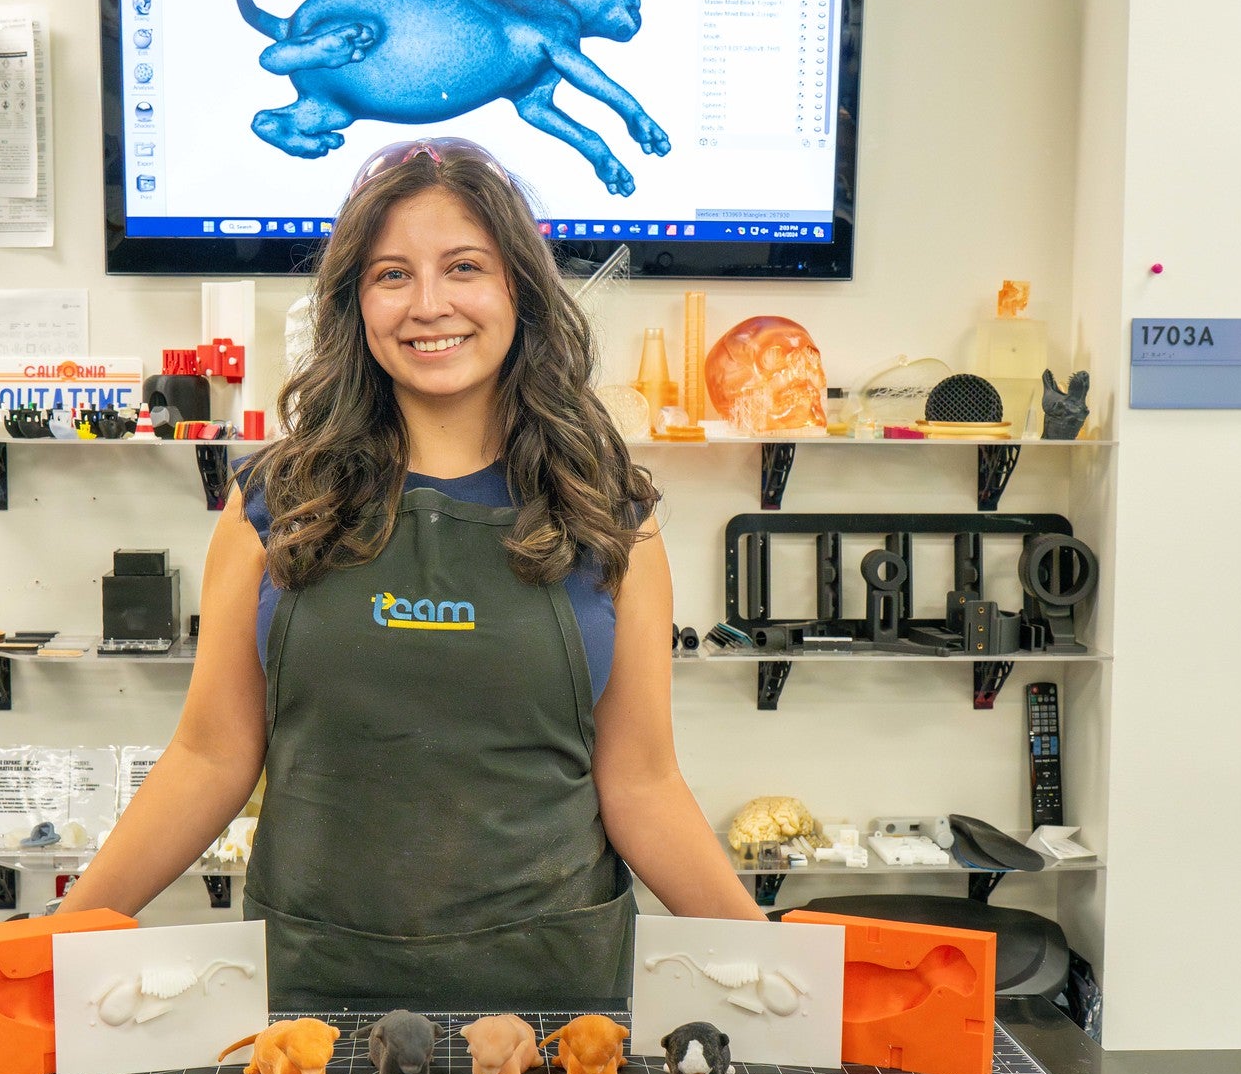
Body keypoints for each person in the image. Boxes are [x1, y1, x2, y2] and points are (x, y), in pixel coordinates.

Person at [60, 138, 763, 1009]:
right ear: (356, 303)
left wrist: (774, 973)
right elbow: (209, 756)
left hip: (551, 998)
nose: (429, 305)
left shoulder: (608, 512)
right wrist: (52, 942)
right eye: (392, 274)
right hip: (313, 991)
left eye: (464, 266)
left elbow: (643, 785)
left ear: (520, 289)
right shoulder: (276, 503)